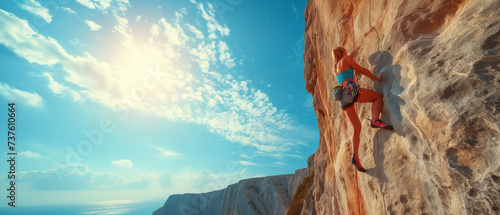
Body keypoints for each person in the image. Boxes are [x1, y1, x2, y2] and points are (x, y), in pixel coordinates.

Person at [332, 47, 393, 172]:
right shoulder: (347, 59)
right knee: (378, 98)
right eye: (346, 51)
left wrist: (354, 75)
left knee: (356, 128)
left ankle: (356, 157)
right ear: (344, 52)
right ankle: (375, 120)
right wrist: (377, 78)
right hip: (350, 91)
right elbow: (363, 70)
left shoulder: (334, 68)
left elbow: (343, 78)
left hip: (342, 99)